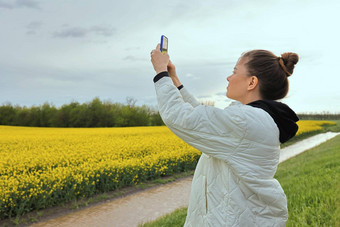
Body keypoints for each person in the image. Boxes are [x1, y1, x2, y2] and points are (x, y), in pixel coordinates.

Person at [150, 43, 299, 226]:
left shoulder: (246, 121)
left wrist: (160, 73)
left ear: (252, 82)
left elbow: (181, 118)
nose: (229, 77)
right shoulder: (252, 118)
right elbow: (205, 119)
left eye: (235, 71)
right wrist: (174, 79)